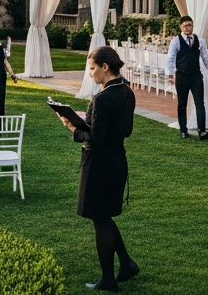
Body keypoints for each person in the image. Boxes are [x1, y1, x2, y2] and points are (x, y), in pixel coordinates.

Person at [58, 45, 139, 292]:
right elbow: (126, 130)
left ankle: (108, 280)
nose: (90, 74)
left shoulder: (101, 98)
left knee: (100, 219)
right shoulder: (127, 91)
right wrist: (89, 121)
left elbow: (93, 140)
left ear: (105, 67)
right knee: (104, 217)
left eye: (92, 69)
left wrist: (72, 126)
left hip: (99, 165)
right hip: (117, 162)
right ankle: (126, 264)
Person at [166, 16, 208, 140]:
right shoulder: (176, 41)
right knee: (182, 104)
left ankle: (202, 131)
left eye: (190, 25)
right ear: (181, 27)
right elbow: (171, 58)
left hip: (196, 76)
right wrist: (170, 74)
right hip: (181, 76)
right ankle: (183, 130)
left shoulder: (200, 41)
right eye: (185, 26)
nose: (188, 28)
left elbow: (205, 57)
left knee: (200, 103)